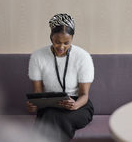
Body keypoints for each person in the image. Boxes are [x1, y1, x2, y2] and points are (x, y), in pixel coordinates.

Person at [27, 13, 94, 141]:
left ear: (72, 39)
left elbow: (84, 95)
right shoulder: (38, 57)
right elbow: (37, 92)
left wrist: (75, 105)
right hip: (49, 105)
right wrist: (34, 104)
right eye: (57, 42)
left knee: (53, 119)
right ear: (51, 37)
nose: (61, 47)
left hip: (78, 105)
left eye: (66, 43)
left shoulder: (83, 57)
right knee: (51, 115)